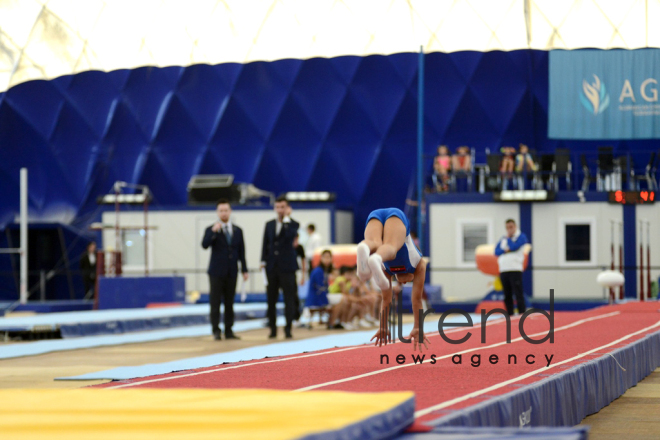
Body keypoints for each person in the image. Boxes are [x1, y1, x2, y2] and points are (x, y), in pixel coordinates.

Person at [356, 207, 429, 352]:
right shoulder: (419, 264)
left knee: (375, 242)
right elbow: (417, 301)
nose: (404, 282)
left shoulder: (387, 271)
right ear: (412, 276)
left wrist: (383, 326)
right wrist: (418, 327)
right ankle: (375, 256)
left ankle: (365, 246)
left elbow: (386, 300)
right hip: (397, 216)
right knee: (391, 247)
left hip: (375, 214)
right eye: (408, 282)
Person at [202, 199, 248, 340]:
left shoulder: (237, 230)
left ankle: (229, 330)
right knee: (215, 302)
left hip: (231, 272)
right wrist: (213, 233)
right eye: (221, 210)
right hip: (216, 272)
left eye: (226, 210)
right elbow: (204, 245)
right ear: (217, 212)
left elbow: (242, 251)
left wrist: (244, 269)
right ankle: (216, 330)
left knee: (229, 302)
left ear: (230, 211)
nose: (223, 213)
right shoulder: (211, 229)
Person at [261, 196, 300, 339]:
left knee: (289, 299)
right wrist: (262, 261)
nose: (280, 210)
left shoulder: (293, 224)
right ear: (274, 208)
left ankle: (288, 328)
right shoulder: (269, 224)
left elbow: (290, 236)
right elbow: (265, 243)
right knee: (271, 299)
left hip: (287, 267)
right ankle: (272, 328)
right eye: (277, 207)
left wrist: (286, 220)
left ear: (287, 208)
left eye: (283, 207)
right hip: (272, 267)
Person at [494, 219, 529, 316]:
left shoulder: (521, 236)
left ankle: (522, 313)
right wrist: (506, 250)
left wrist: (509, 239)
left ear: (515, 227)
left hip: (515, 269)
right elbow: (496, 252)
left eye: (511, 227)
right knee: (507, 294)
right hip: (504, 269)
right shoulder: (503, 239)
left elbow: (514, 247)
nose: (509, 230)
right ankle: (510, 314)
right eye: (507, 228)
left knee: (518, 293)